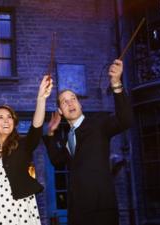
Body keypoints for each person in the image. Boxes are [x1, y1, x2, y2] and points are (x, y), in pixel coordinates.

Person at [43, 59, 133, 225]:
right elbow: (56, 160)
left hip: (102, 211)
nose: (70, 102)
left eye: (73, 99)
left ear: (80, 104)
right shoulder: (68, 137)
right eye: (64, 101)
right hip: (77, 213)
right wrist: (50, 133)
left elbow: (126, 120)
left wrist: (116, 84)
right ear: (60, 111)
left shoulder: (99, 123)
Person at [0, 75, 53, 225]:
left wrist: (41, 99)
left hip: (20, 210)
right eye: (0, 117)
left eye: (9, 117)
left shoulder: (22, 146)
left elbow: (35, 129)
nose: (6, 120)